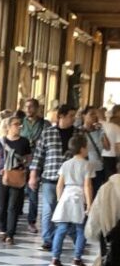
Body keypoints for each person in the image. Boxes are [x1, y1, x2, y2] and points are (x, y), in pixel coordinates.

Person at [29, 104, 77, 252]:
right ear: (61, 116)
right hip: (50, 176)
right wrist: (33, 175)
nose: (73, 119)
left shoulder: (78, 134)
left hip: (71, 179)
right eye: (71, 116)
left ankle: (76, 238)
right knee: (49, 209)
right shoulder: (48, 132)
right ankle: (48, 240)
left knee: (70, 209)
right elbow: (38, 155)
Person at [50, 134, 93, 266]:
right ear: (82, 148)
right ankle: (77, 259)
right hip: (79, 196)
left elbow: (59, 185)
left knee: (61, 229)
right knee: (81, 230)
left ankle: (55, 259)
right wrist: (89, 203)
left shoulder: (66, 164)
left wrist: (59, 199)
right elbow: (87, 186)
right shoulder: (87, 165)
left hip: (66, 196)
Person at [0, 116, 31, 245]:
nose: (19, 127)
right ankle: (2, 229)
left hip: (17, 175)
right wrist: (1, 168)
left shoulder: (24, 142)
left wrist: (23, 166)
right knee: (2, 204)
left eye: (20, 124)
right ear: (8, 127)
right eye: (16, 124)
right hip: (2, 176)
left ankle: (10, 233)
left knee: (13, 206)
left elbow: (28, 157)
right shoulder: (0, 141)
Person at [21, 98, 50, 234]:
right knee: (18, 190)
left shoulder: (45, 124)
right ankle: (15, 216)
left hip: (37, 161)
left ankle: (31, 221)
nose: (28, 110)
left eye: (31, 107)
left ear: (37, 108)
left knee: (33, 191)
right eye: (26, 107)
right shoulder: (21, 122)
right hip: (21, 160)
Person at [81, 106, 109, 195]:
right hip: (85, 169)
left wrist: (103, 130)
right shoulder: (79, 131)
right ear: (84, 116)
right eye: (91, 114)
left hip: (98, 168)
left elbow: (107, 147)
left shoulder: (99, 131)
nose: (94, 116)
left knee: (96, 195)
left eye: (96, 114)